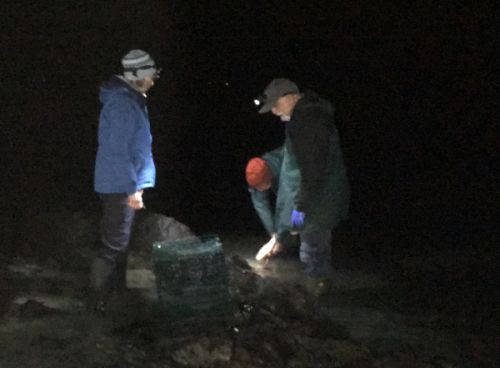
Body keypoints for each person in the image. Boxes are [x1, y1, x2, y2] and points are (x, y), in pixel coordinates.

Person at [254, 78, 350, 294]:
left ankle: (317, 300)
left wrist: (300, 208)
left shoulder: (308, 121)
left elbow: (312, 171)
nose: (275, 112)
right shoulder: (305, 117)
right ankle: (320, 292)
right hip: (317, 199)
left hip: (316, 202)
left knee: (312, 253)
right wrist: (280, 236)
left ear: (289, 97)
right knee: (314, 249)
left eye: (276, 106)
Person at [90, 49, 160, 311]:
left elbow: (136, 146)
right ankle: (98, 301)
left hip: (123, 183)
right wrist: (133, 189)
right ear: (138, 75)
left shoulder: (132, 100)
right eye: (151, 75)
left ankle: (117, 292)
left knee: (120, 240)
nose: (153, 80)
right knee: (113, 244)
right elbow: (117, 151)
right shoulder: (121, 103)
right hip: (119, 184)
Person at [245, 146, 299, 260]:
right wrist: (273, 233)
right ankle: (288, 244)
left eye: (261, 186)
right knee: (286, 230)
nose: (259, 190)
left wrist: (278, 239)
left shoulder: (287, 171)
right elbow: (260, 204)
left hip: (306, 193)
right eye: (256, 187)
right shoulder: (257, 171)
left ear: (268, 177)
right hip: (293, 196)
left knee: (297, 222)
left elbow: (289, 203)